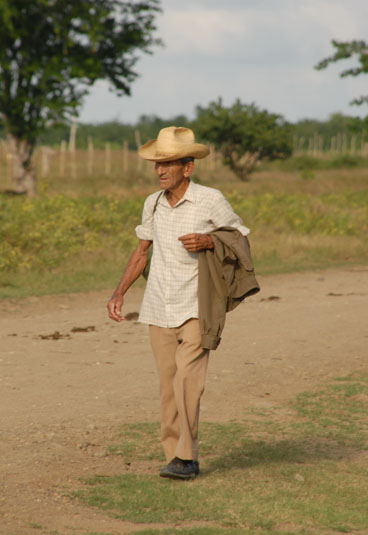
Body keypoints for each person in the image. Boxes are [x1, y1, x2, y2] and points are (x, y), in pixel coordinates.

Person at [106, 126, 255, 480]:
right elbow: (142, 250)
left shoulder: (210, 199)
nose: (160, 170)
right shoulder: (152, 203)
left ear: (188, 167)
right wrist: (119, 291)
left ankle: (187, 458)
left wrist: (208, 241)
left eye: (169, 163)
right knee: (167, 386)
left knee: (187, 379)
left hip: (196, 306)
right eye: (158, 163)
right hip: (158, 307)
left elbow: (239, 239)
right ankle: (174, 454)